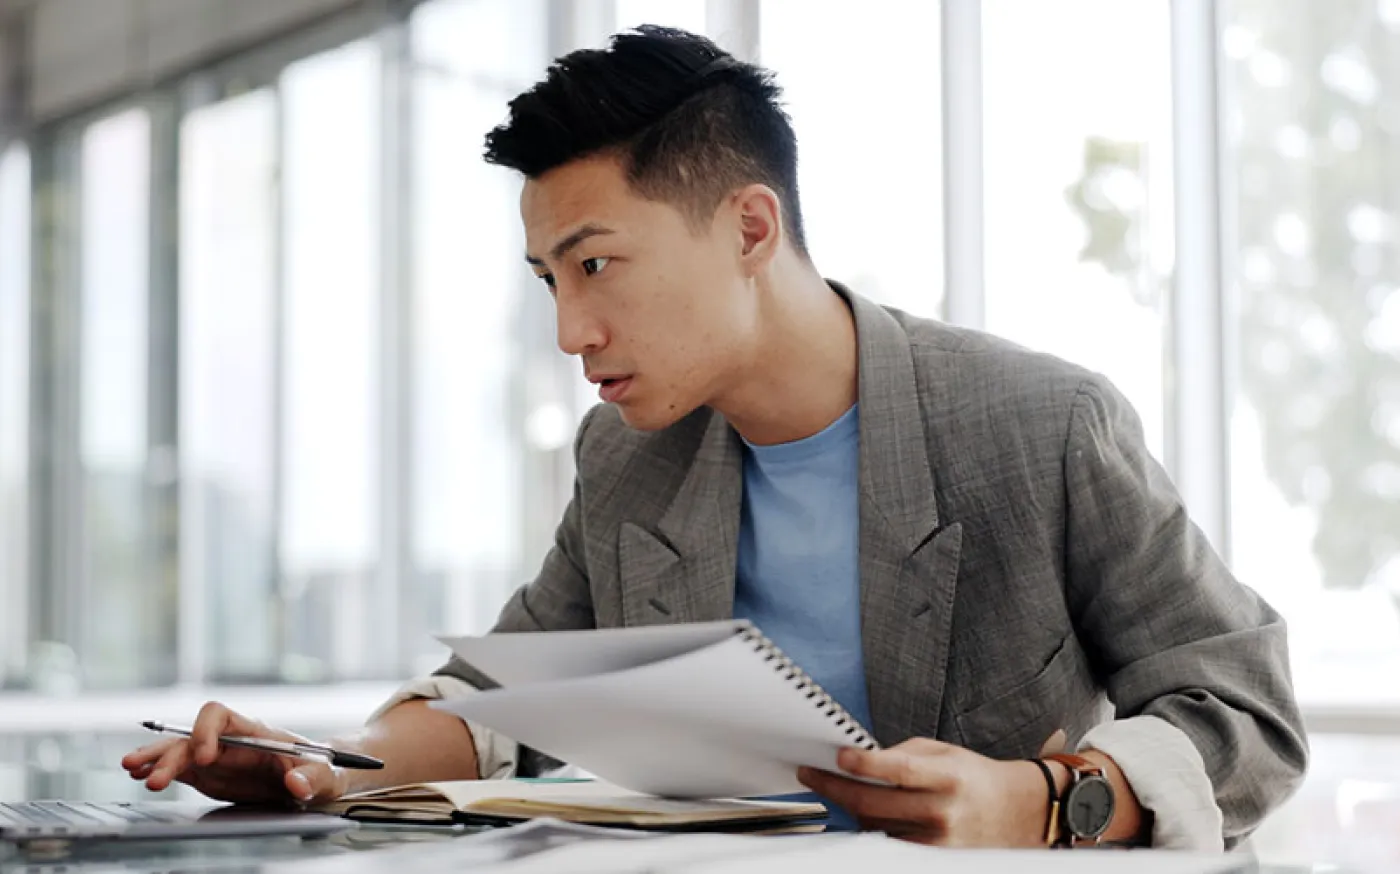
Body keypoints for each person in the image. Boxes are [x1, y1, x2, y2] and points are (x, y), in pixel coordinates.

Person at [122, 25, 1306, 849]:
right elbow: (500, 691)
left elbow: (1244, 713)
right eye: (546, 279)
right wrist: (326, 761)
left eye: (595, 264)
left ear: (748, 225)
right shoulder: (627, 456)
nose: (569, 329)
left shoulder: (1040, 425)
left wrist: (1045, 801)